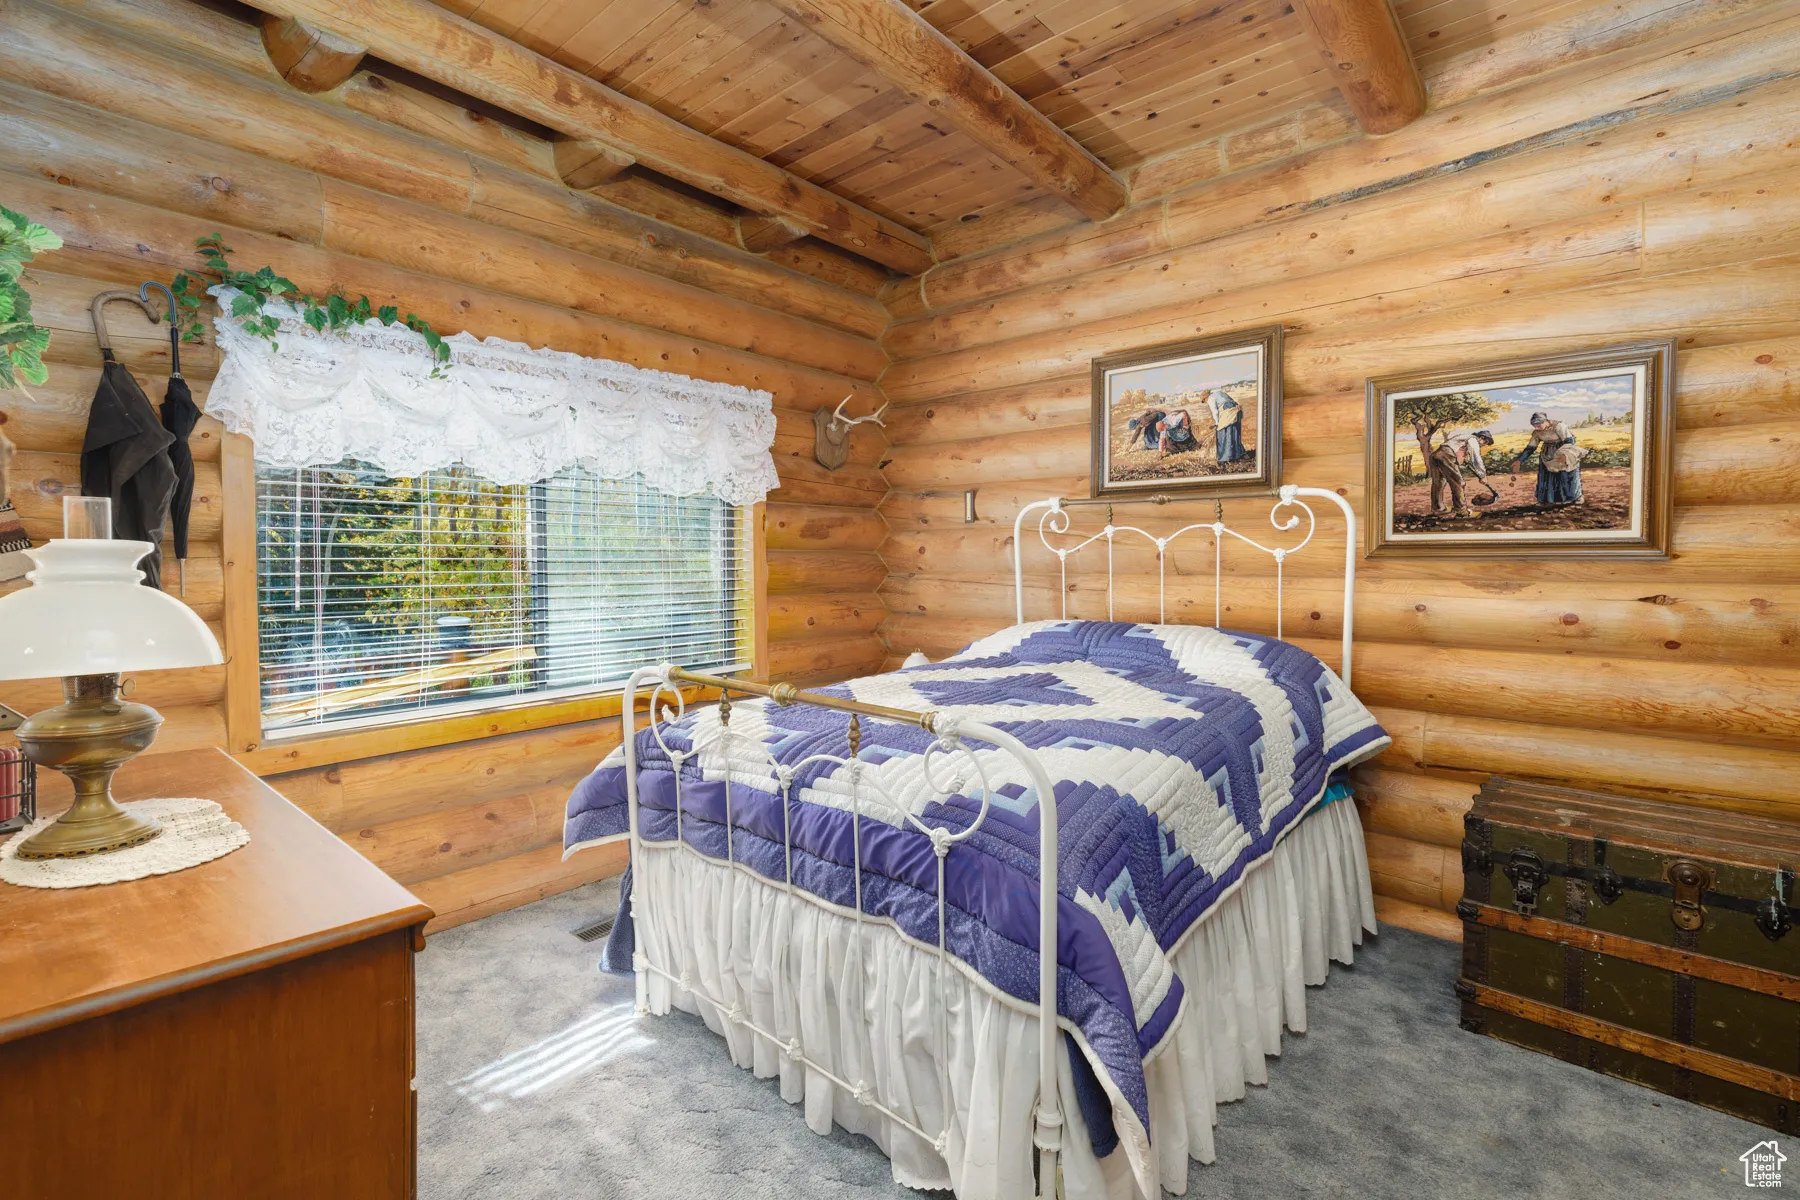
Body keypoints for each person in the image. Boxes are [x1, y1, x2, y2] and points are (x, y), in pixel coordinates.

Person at [1511, 411, 1584, 506]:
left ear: (1545, 421)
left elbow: (1569, 441)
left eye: (1538, 425)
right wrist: (1519, 461)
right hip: (1548, 454)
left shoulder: (1559, 426)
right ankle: (1546, 500)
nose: (1536, 428)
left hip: (1564, 450)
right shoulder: (1537, 433)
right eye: (1534, 426)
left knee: (1567, 474)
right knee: (1546, 477)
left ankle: (1576, 498)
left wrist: (1565, 455)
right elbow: (1530, 448)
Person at [1204, 389, 1247, 464]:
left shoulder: (1210, 399)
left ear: (1205, 398)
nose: (1205, 402)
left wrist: (1217, 423)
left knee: (1223, 434)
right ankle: (1237, 454)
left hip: (1228, 411)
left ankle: (1224, 458)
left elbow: (1215, 412)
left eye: (1203, 401)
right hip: (1236, 410)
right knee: (1234, 432)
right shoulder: (1220, 392)